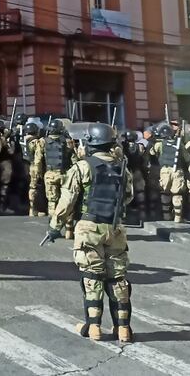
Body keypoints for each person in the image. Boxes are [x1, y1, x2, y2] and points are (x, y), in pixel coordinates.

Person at [45, 122, 134, 343]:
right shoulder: (122, 168)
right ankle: (123, 329)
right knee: (117, 279)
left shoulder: (82, 168)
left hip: (89, 228)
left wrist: (55, 228)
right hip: (115, 228)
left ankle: (94, 327)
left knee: (92, 277)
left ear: (90, 144)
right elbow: (128, 196)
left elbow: (66, 202)